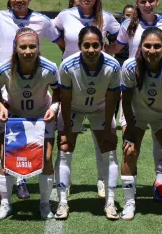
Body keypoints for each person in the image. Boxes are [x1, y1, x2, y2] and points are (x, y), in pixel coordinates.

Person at [0, 0, 63, 200]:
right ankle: (10, 180)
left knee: (34, 136)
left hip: (33, 83)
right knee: (4, 137)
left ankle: (24, 179)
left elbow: (62, 42)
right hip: (4, 82)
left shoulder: (42, 21)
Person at [106, 0, 162, 202]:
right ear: (137, 3)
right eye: (143, 1)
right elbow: (117, 48)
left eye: (151, 1)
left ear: (157, 2)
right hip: (134, 90)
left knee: (161, 142)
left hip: (159, 91)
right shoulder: (128, 24)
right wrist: (96, 48)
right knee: (130, 143)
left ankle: (160, 182)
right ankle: (131, 189)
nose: (147, 4)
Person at [53, 0, 120, 198]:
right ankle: (64, 184)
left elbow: (120, 40)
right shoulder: (65, 16)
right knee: (65, 140)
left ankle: (102, 181)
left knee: (103, 141)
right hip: (71, 82)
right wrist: (69, 54)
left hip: (98, 83)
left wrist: (109, 52)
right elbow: (57, 38)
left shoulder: (107, 18)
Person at [0, 28, 60, 220]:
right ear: (15, 48)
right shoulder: (4, 69)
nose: (28, 51)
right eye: (23, 47)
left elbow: (58, 92)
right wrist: (1, 105)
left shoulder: (49, 68)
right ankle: (5, 204)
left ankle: (45, 204)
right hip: (14, 117)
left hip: (41, 117)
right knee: (5, 159)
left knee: (46, 158)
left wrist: (53, 109)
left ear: (39, 47)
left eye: (32, 46)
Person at [56, 26, 120, 220]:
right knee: (65, 150)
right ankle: (62, 202)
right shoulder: (68, 66)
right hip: (73, 107)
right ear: (79, 46)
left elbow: (112, 99)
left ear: (102, 45)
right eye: (87, 45)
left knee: (108, 152)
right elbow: (65, 99)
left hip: (100, 108)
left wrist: (109, 127)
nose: (91, 50)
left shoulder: (113, 65)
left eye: (95, 45)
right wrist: (66, 129)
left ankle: (110, 202)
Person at [119, 27, 162, 220]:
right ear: (141, 46)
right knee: (130, 151)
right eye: (147, 46)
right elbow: (126, 102)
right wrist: (130, 130)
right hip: (136, 114)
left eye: (157, 46)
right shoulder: (130, 67)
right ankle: (129, 203)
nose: (152, 50)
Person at [112, 4, 133, 118]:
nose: (129, 18)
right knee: (115, 93)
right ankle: (112, 119)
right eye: (127, 15)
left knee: (130, 94)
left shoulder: (139, 30)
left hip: (132, 64)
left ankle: (131, 118)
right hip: (119, 62)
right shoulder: (118, 30)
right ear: (123, 16)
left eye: (132, 15)